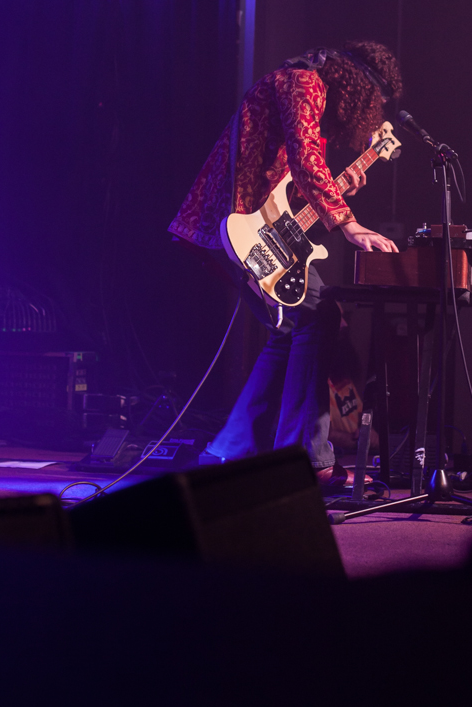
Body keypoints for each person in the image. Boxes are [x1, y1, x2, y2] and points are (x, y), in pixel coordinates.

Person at [169, 41, 402, 485]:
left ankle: (229, 449)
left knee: (293, 327)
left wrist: (337, 190)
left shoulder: (306, 86)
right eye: (373, 104)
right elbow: (306, 158)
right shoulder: (304, 82)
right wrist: (348, 223)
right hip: (239, 222)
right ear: (358, 87)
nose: (370, 114)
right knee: (319, 312)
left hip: (252, 220)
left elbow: (290, 180)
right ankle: (309, 460)